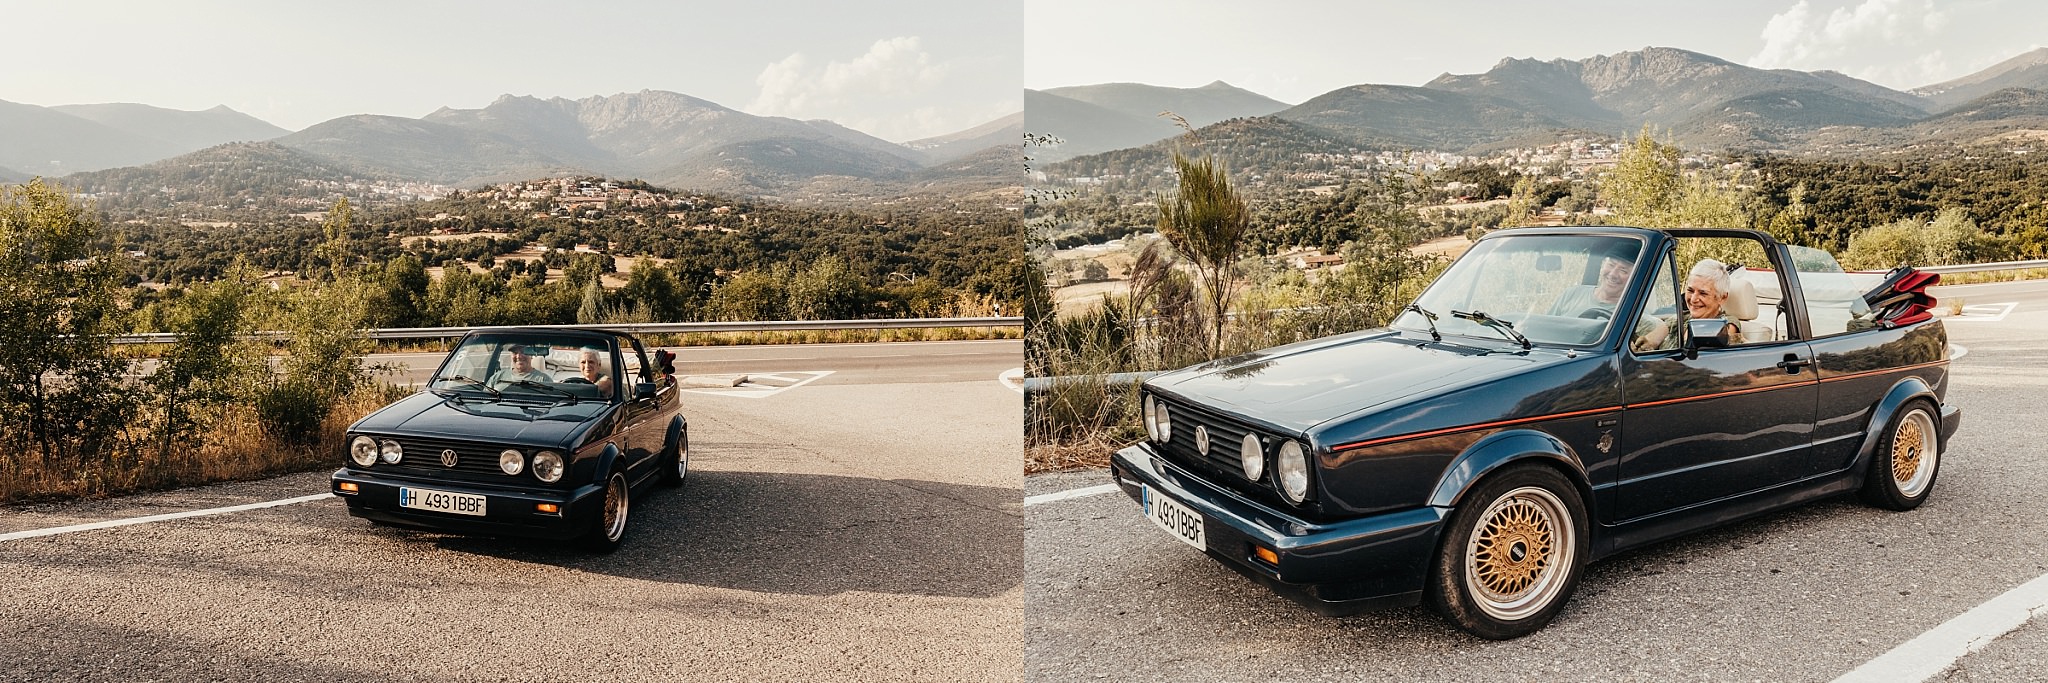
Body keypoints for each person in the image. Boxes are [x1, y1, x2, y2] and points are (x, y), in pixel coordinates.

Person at [1548, 242, 1671, 351]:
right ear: (1603, 265)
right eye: (1611, 265)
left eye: (1623, 270)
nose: (1613, 274)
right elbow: (1545, 329)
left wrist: (1659, 334)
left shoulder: (1634, 315)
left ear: (1635, 277)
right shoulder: (1572, 294)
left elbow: (1661, 328)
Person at [1685, 258, 1743, 345]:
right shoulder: (1679, 318)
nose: (1693, 299)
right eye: (1690, 290)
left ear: (1722, 298)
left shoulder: (1725, 324)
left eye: (1703, 293)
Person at [488, 344, 553, 387]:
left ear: (531, 355)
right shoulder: (497, 377)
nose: (519, 356)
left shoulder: (544, 380)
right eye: (515, 353)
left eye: (523, 352)